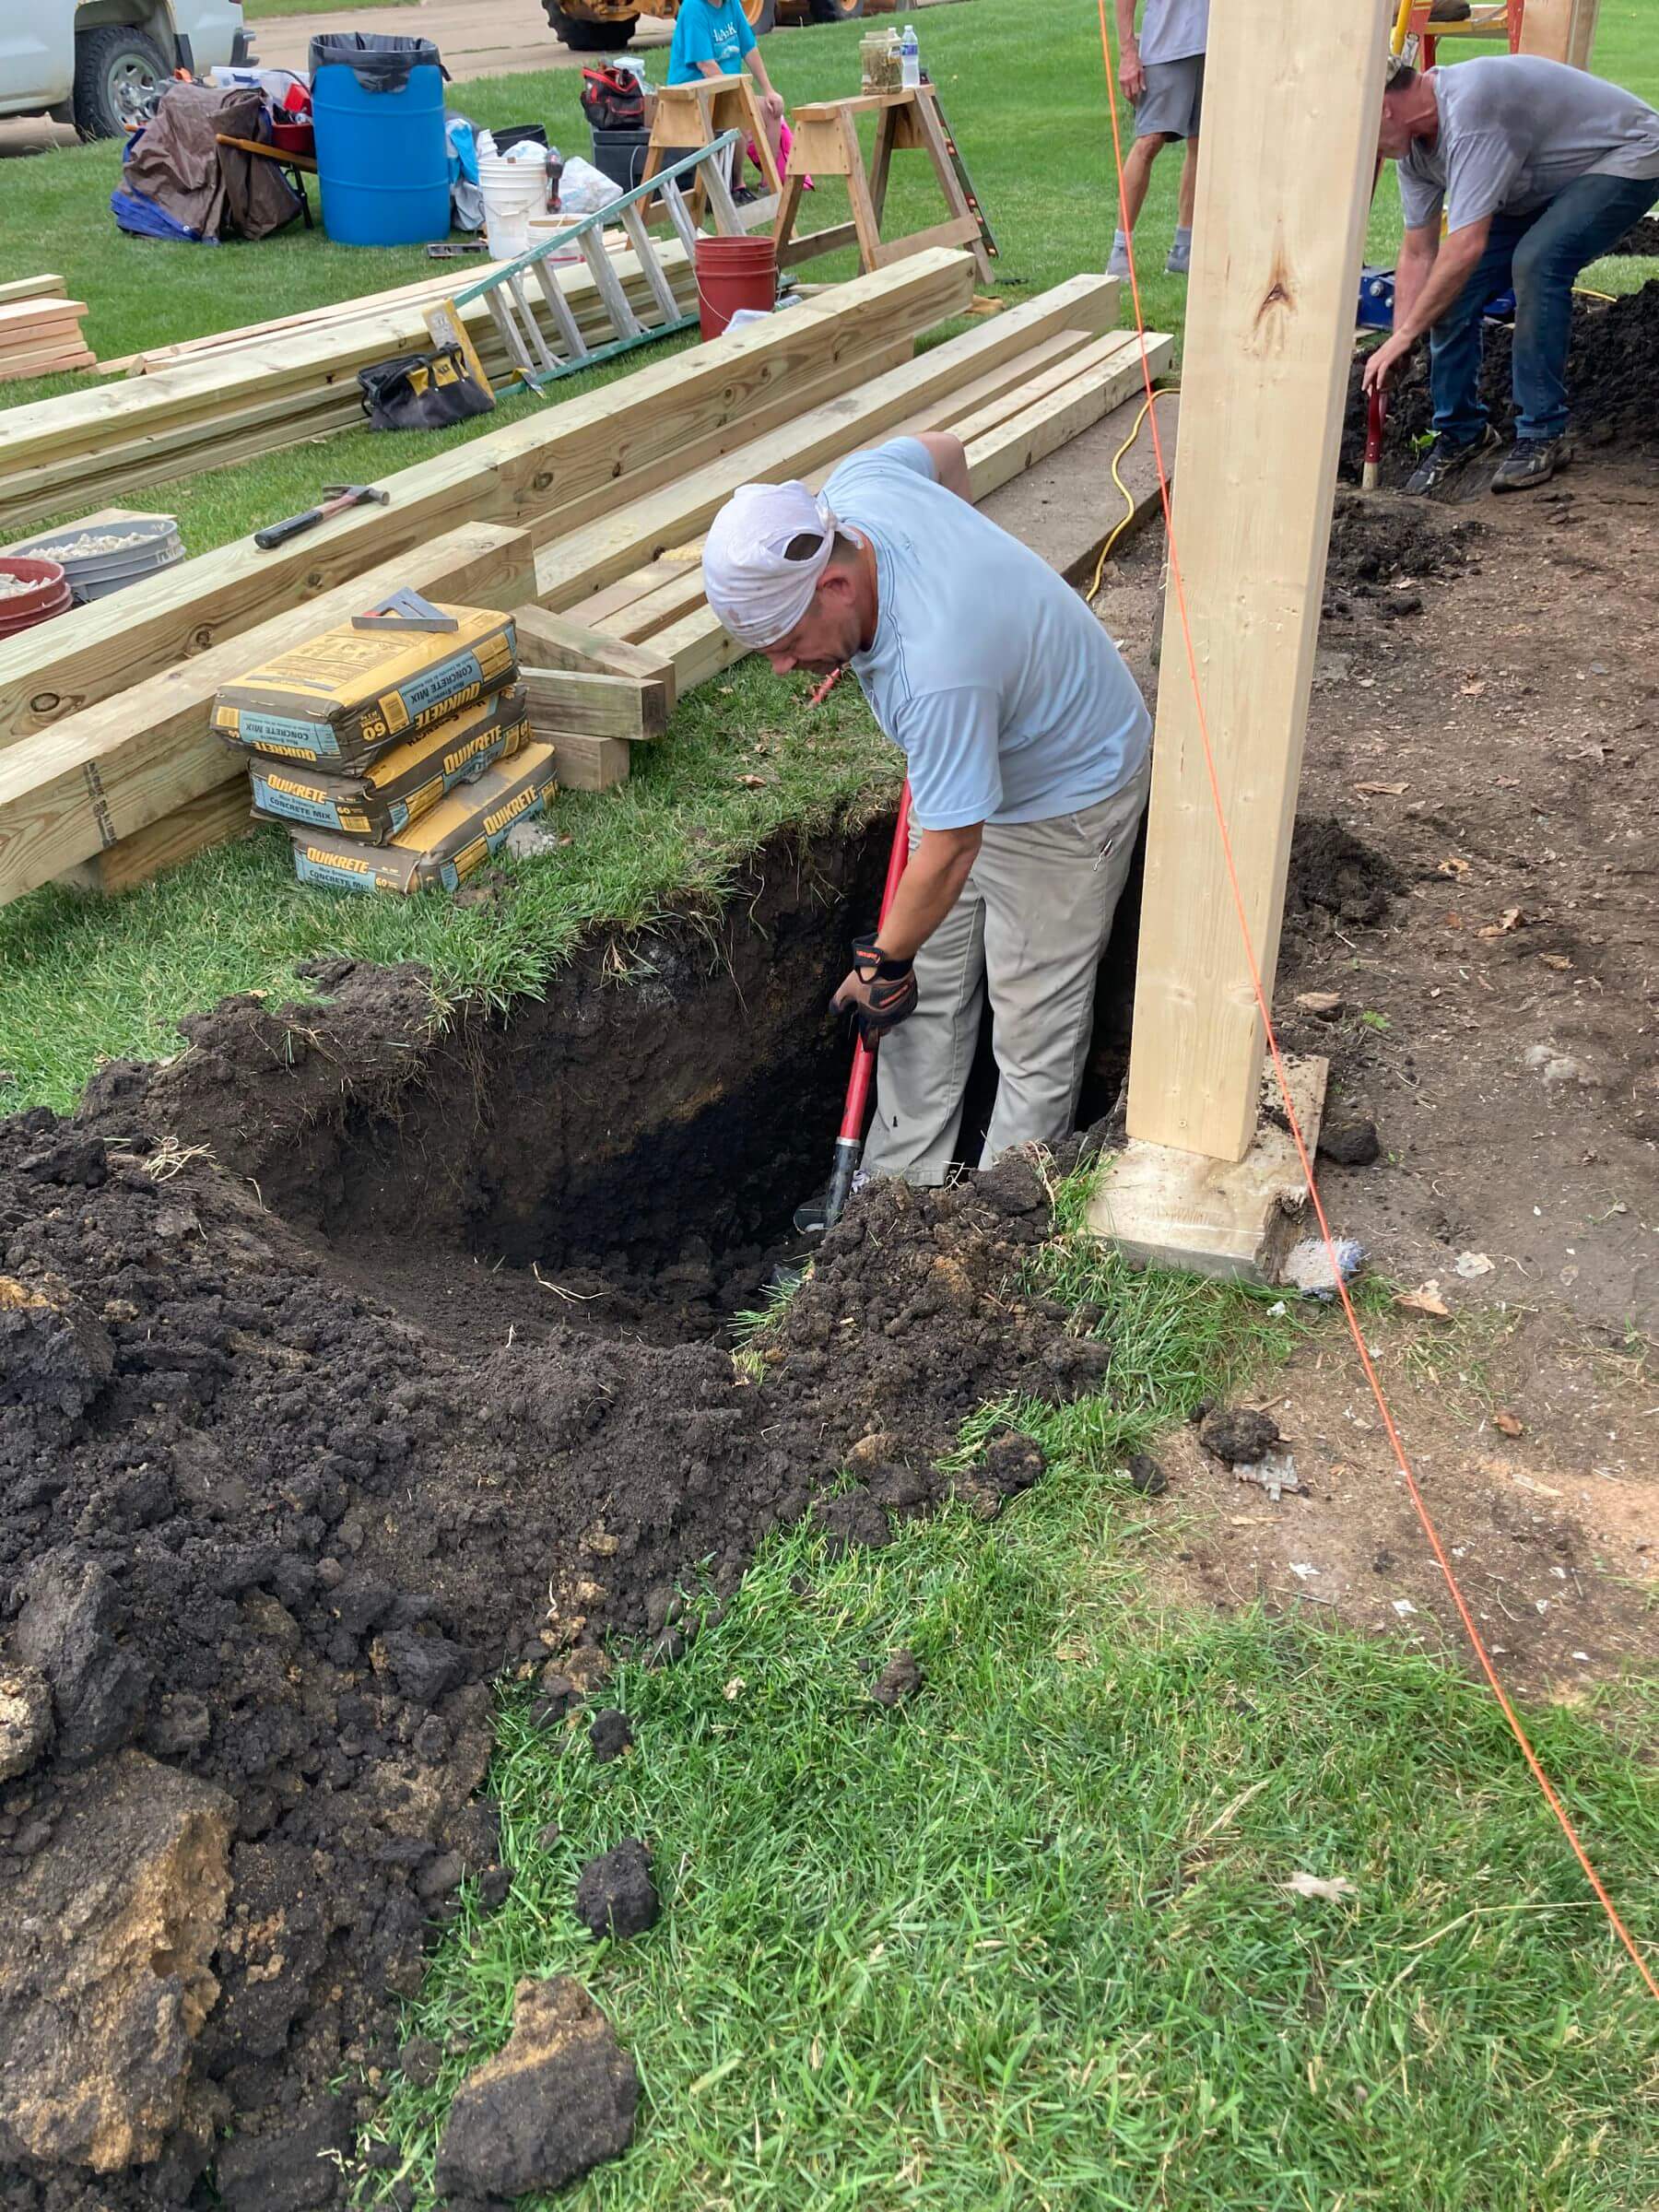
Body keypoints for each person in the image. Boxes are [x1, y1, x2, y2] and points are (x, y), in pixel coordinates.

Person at [701, 434, 1153, 1191]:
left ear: (835, 588)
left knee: (1032, 1025)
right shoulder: (861, 486)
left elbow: (951, 847)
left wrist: (881, 962)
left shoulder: (938, 667)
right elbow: (944, 450)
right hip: (972, 758)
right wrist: (897, 968)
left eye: (784, 643)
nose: (782, 667)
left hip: (1068, 791)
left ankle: (1003, 1220)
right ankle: (893, 1197)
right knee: (916, 999)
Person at [1365, 51, 1659, 495]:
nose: (1369, 150)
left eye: (1365, 133)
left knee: (1538, 261)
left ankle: (1543, 433)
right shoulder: (1415, 156)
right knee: (1449, 293)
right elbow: (1417, 254)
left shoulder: (1473, 109)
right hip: (1541, 181)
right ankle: (1462, 433)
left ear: (1384, 107)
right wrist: (1398, 339)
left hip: (1625, 154)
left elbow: (1466, 246)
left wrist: (1408, 335)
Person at [1109, 0, 1208, 279]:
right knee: (1149, 141)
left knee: (1202, 143)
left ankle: (1183, 249)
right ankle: (1120, 249)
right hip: (1167, 44)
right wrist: (1128, 53)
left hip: (1220, 42)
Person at [666, 0, 786, 178]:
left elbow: (749, 48)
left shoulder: (732, 4)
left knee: (772, 110)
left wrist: (769, 90)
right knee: (735, 117)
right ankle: (737, 185)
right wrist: (739, 100)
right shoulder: (693, 8)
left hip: (726, 92)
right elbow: (706, 65)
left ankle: (769, 184)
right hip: (694, 98)